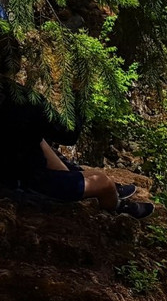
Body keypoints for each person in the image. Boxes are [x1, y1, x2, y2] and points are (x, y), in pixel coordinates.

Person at [0, 84, 154, 218]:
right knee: (104, 182)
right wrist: (79, 92)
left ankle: (71, 176)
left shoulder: (13, 97)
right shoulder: (22, 99)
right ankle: (117, 207)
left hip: (18, 170)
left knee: (39, 140)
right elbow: (69, 134)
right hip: (27, 183)